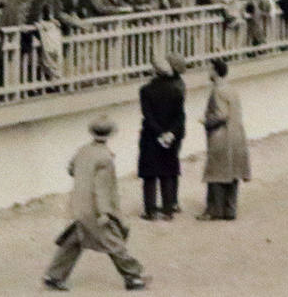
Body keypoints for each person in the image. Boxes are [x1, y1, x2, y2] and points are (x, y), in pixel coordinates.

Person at [43, 115, 149, 291]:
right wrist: (105, 212)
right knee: (114, 242)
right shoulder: (105, 158)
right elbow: (102, 188)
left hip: (79, 205)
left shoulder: (83, 150)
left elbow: (71, 170)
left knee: (74, 240)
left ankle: (54, 275)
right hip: (96, 210)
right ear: (110, 135)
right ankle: (133, 277)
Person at [198, 58, 250, 220]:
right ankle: (230, 209)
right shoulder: (231, 89)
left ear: (215, 72)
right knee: (232, 173)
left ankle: (215, 210)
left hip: (221, 136)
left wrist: (207, 121)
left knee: (216, 173)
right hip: (236, 135)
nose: (208, 72)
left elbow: (221, 114)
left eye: (210, 69)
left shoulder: (217, 90)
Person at [137, 55, 185, 221]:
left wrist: (159, 133)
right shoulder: (176, 90)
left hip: (151, 136)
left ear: (155, 71)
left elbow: (148, 117)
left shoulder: (145, 90)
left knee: (150, 175)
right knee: (167, 173)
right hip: (170, 137)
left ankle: (150, 210)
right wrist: (170, 133)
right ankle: (168, 209)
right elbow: (180, 117)